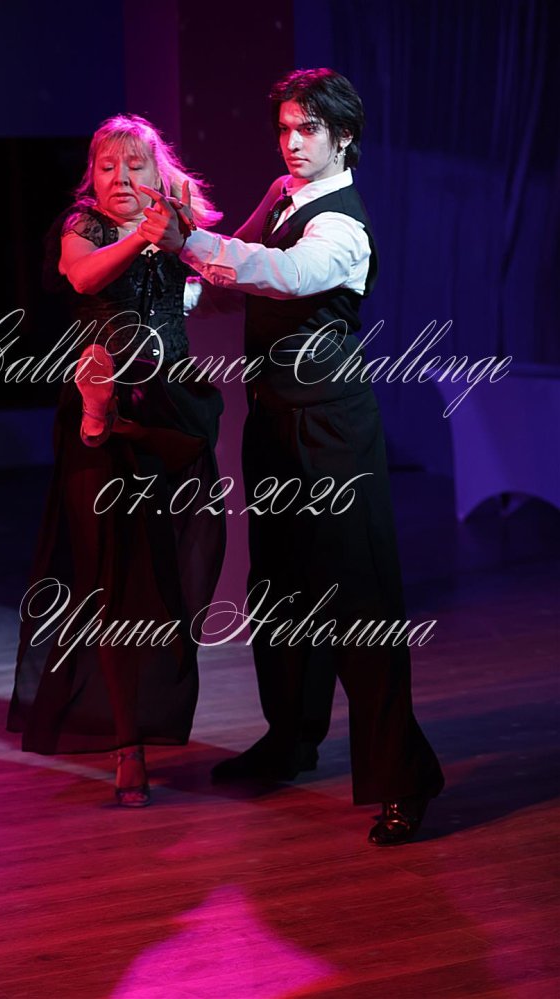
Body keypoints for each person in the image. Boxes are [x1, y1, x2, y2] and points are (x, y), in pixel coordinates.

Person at [138, 69, 444, 844]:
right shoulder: (284, 195)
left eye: (308, 128)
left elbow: (285, 275)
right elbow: (235, 266)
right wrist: (171, 286)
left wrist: (190, 242)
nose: (293, 142)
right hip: (274, 419)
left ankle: (405, 778)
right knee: (279, 589)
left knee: (359, 604)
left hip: (332, 428)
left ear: (344, 136)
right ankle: (290, 738)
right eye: (285, 128)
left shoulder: (342, 226)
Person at [7, 115, 225, 806]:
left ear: (158, 172)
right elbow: (80, 276)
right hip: (101, 402)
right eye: (108, 167)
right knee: (110, 580)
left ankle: (154, 709)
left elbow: (216, 269)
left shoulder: (175, 222)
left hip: (173, 404)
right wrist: (142, 236)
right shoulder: (86, 225)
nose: (121, 178)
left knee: (187, 561)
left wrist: (187, 254)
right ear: (92, 176)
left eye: (135, 165)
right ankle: (128, 743)